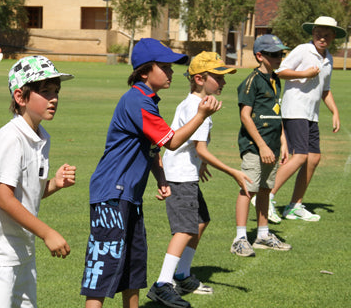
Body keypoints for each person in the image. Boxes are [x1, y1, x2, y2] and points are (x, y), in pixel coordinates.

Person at [80, 39, 222, 308]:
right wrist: (201, 114)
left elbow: (152, 147)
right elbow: (172, 141)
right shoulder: (137, 101)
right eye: (164, 67)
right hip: (112, 193)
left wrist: (160, 177)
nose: (170, 73)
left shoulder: (147, 100)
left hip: (129, 194)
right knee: (104, 268)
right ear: (145, 71)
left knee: (133, 268)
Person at [0, 55, 76, 308]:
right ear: (20, 97)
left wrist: (54, 184)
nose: (54, 98)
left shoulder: (40, 137)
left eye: (56, 91)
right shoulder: (10, 139)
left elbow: (25, 195)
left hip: (21, 252)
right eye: (45, 91)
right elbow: (3, 199)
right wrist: (47, 233)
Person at [147, 51, 251, 308]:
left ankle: (181, 275)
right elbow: (201, 148)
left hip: (186, 173)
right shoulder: (198, 106)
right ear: (200, 79)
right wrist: (235, 172)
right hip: (180, 177)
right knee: (184, 229)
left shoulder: (194, 103)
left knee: (201, 220)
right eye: (219, 77)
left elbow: (194, 146)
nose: (223, 83)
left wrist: (200, 163)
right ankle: (163, 283)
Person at [270, 16, 344, 222]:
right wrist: (304, 73)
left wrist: (335, 112)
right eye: (318, 33)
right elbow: (280, 71)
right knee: (300, 156)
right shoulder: (303, 50)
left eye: (327, 35)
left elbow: (325, 91)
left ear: (333, 37)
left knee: (314, 158)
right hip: (295, 110)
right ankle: (266, 196)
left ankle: (295, 206)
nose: (322, 38)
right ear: (313, 34)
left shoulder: (328, 58)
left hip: (311, 114)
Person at [231, 35, 292, 258]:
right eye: (275, 54)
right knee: (249, 189)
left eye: (281, 54)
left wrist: (283, 142)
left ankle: (263, 235)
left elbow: (277, 112)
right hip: (255, 147)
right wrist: (263, 146)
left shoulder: (276, 80)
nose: (279, 58)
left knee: (265, 189)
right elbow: (245, 116)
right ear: (260, 56)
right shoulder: (251, 81)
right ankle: (239, 238)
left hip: (274, 146)